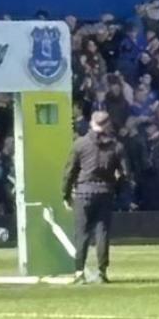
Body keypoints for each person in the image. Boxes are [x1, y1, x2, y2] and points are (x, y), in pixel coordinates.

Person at [62, 111, 129, 284]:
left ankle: (79, 273)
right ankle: (102, 271)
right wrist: (117, 189)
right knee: (102, 233)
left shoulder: (80, 144)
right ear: (108, 125)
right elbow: (125, 173)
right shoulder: (116, 146)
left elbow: (70, 172)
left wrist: (65, 194)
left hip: (84, 192)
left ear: (92, 123)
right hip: (105, 192)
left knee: (81, 233)